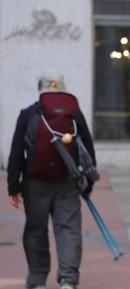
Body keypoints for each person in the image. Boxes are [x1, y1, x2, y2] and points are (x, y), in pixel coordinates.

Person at [7, 70, 96, 289]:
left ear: (41, 89)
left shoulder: (28, 113)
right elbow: (87, 147)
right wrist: (88, 181)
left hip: (34, 182)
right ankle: (68, 279)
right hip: (68, 180)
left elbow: (17, 152)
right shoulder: (74, 113)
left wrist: (13, 186)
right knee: (68, 230)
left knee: (36, 230)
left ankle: (37, 281)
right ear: (63, 88)